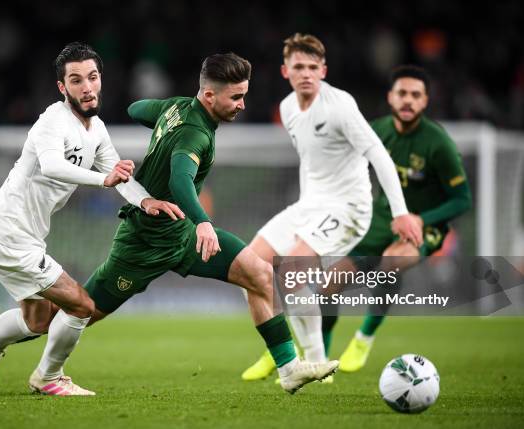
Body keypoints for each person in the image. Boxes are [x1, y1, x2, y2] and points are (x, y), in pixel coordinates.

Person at [81, 52, 339, 395]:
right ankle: (5, 335)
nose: (242, 105)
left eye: (243, 95)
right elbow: (179, 181)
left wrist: (164, 121)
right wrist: (203, 222)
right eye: (236, 97)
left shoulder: (176, 107)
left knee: (260, 274)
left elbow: (135, 109)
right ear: (208, 96)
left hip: (181, 235)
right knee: (81, 311)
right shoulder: (195, 134)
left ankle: (289, 369)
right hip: (146, 242)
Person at [0, 42, 183, 396]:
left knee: (37, 319)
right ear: (62, 87)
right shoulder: (51, 122)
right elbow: (55, 165)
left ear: (101, 80)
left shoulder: (96, 129)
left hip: (19, 234)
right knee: (81, 304)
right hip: (8, 231)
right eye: (76, 80)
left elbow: (117, 173)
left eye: (93, 77)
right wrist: (104, 179)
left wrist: (146, 200)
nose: (87, 87)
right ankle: (49, 377)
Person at [240, 34, 423, 383]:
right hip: (311, 205)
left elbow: (379, 156)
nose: (306, 73)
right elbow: (311, 162)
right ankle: (289, 359)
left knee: (290, 271)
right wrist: (305, 211)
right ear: (285, 71)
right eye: (298, 67)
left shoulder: (340, 105)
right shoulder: (287, 108)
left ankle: (315, 365)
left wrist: (400, 212)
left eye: (313, 67)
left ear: (323, 70)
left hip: (349, 207)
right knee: (248, 266)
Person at [323, 65, 472, 372]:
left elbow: (462, 199)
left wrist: (422, 219)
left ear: (425, 101)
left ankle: (364, 338)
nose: (408, 100)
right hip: (381, 218)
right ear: (390, 96)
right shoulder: (376, 131)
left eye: (415, 95)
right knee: (328, 286)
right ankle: (320, 361)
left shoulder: (437, 143)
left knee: (392, 262)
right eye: (402, 93)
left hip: (425, 225)